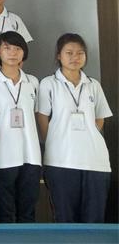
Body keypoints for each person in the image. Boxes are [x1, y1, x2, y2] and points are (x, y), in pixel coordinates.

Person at [37, 33, 112, 223]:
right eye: (69, 53)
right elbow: (42, 117)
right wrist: (54, 140)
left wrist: (88, 135)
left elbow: (100, 117)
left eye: (80, 53)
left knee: (94, 220)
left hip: (95, 161)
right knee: (65, 219)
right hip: (61, 160)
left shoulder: (93, 85)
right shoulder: (48, 84)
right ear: (59, 55)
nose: (75, 57)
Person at [0, 31, 41, 223]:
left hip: (31, 155)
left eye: (17, 48)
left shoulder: (33, 82)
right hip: (2, 156)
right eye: (7, 48)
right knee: (4, 213)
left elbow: (38, 116)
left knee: (28, 213)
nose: (13, 53)